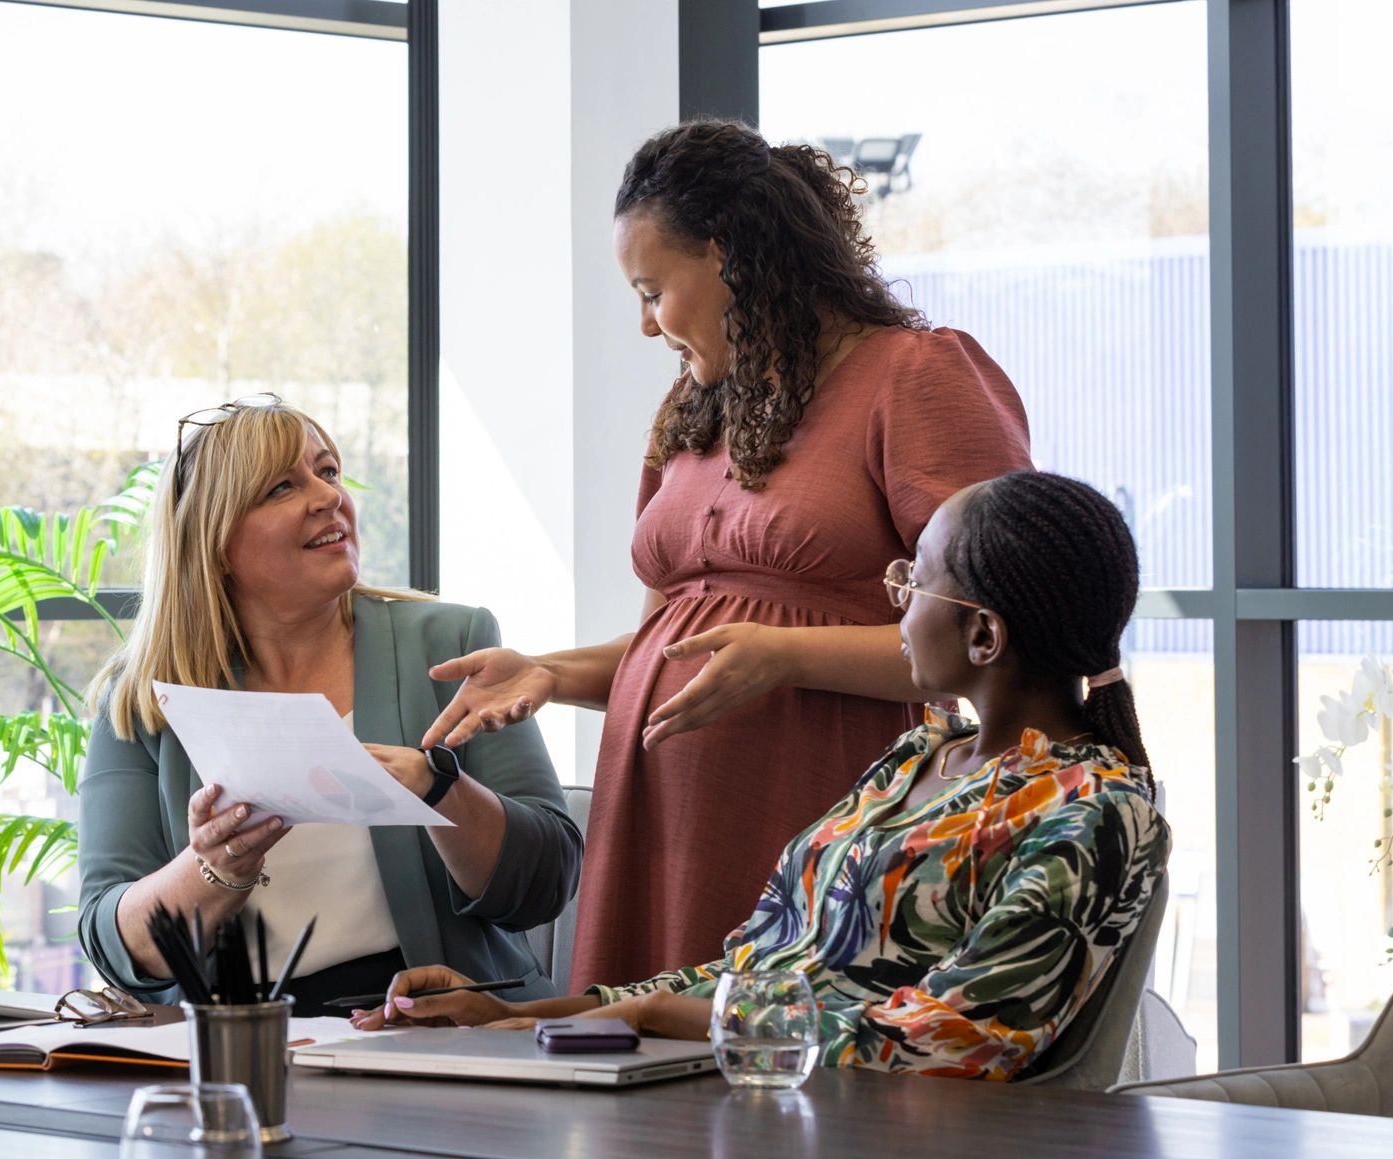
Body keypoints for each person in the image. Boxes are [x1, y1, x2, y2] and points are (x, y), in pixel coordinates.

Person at [422, 119, 1034, 991]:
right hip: (658, 830)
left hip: (822, 816)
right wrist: (551, 672)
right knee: (640, 1059)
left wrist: (788, 654)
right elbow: (675, 647)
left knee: (783, 1055)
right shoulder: (691, 407)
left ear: (729, 255)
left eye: (652, 291)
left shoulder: (914, 376)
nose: (645, 325)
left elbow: (1006, 635)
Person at [361, 471, 1171, 1084]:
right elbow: (753, 970)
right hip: (767, 1108)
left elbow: (952, 1043)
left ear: (983, 636)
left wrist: (662, 1019)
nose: (896, 603)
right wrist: (518, 1013)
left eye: (913, 582)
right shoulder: (914, 761)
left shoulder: (1094, 812)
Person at [77, 395, 581, 1015]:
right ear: (214, 541)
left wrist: (438, 790)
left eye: (328, 471)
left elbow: (547, 882)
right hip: (243, 1044)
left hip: (442, 1030)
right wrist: (213, 869)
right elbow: (113, 945)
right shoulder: (144, 699)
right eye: (281, 488)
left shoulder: (452, 643)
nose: (327, 497)